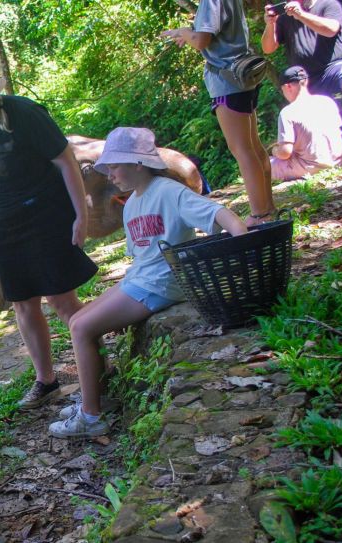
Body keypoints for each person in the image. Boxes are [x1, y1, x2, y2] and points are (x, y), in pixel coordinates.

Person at [49, 128, 248, 438]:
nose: (109, 174)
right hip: (142, 277)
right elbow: (141, 256)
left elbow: (220, 213)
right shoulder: (131, 204)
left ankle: (91, 417)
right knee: (77, 318)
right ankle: (98, 397)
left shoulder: (169, 191)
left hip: (163, 282)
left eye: (115, 166)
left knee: (80, 327)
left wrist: (243, 247)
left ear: (138, 164)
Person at [0, 58, 98, 410]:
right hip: (3, 225)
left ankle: (97, 368)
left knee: (61, 300)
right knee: (23, 303)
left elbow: (65, 160)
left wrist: (81, 215)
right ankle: (46, 381)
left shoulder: (25, 113)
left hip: (45, 216)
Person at [162, 0, 277, 223]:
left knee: (243, 150)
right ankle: (268, 209)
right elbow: (212, 36)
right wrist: (189, 35)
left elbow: (202, 40)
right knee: (253, 147)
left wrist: (184, 32)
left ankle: (260, 214)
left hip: (228, 81)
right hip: (241, 76)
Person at [270, 65, 342, 181]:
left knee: (267, 163)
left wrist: (275, 151)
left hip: (312, 167)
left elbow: (285, 152)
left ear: (287, 86)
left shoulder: (287, 112)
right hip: (337, 160)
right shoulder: (326, 101)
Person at [261, 0, 342, 99]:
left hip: (333, 68)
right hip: (304, 80)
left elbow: (331, 29)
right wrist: (270, 24)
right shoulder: (284, 17)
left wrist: (301, 15)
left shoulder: (328, 4)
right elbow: (268, 48)